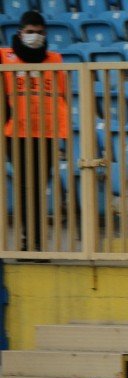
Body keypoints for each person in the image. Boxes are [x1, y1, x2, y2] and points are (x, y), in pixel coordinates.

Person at [0, 10, 70, 252]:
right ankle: (26, 241)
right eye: (30, 32)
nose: (35, 37)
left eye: (39, 33)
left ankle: (37, 243)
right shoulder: (5, 57)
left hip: (46, 134)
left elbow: (60, 99)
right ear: (20, 32)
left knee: (39, 190)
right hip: (17, 134)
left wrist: (62, 135)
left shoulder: (55, 60)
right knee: (24, 188)